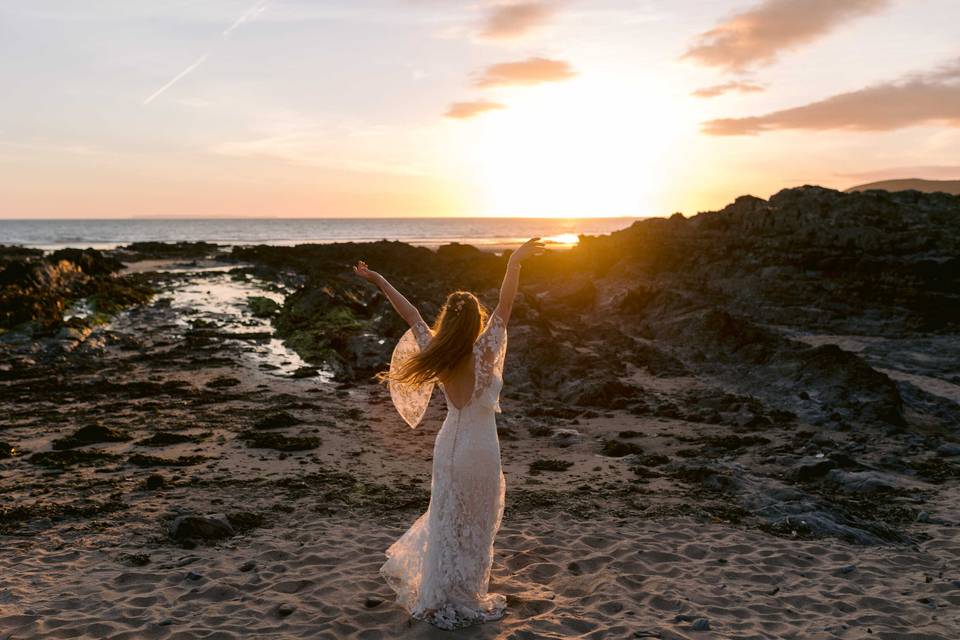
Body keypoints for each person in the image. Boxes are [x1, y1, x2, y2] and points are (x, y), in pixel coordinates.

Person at [353, 237, 544, 630]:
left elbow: (411, 316)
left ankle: (438, 593)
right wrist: (513, 263)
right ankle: (466, 589)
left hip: (449, 446)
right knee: (476, 519)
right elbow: (506, 308)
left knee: (445, 520)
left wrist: (379, 280)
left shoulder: (438, 348)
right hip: (480, 448)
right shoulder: (485, 350)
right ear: (476, 321)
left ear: (450, 319)